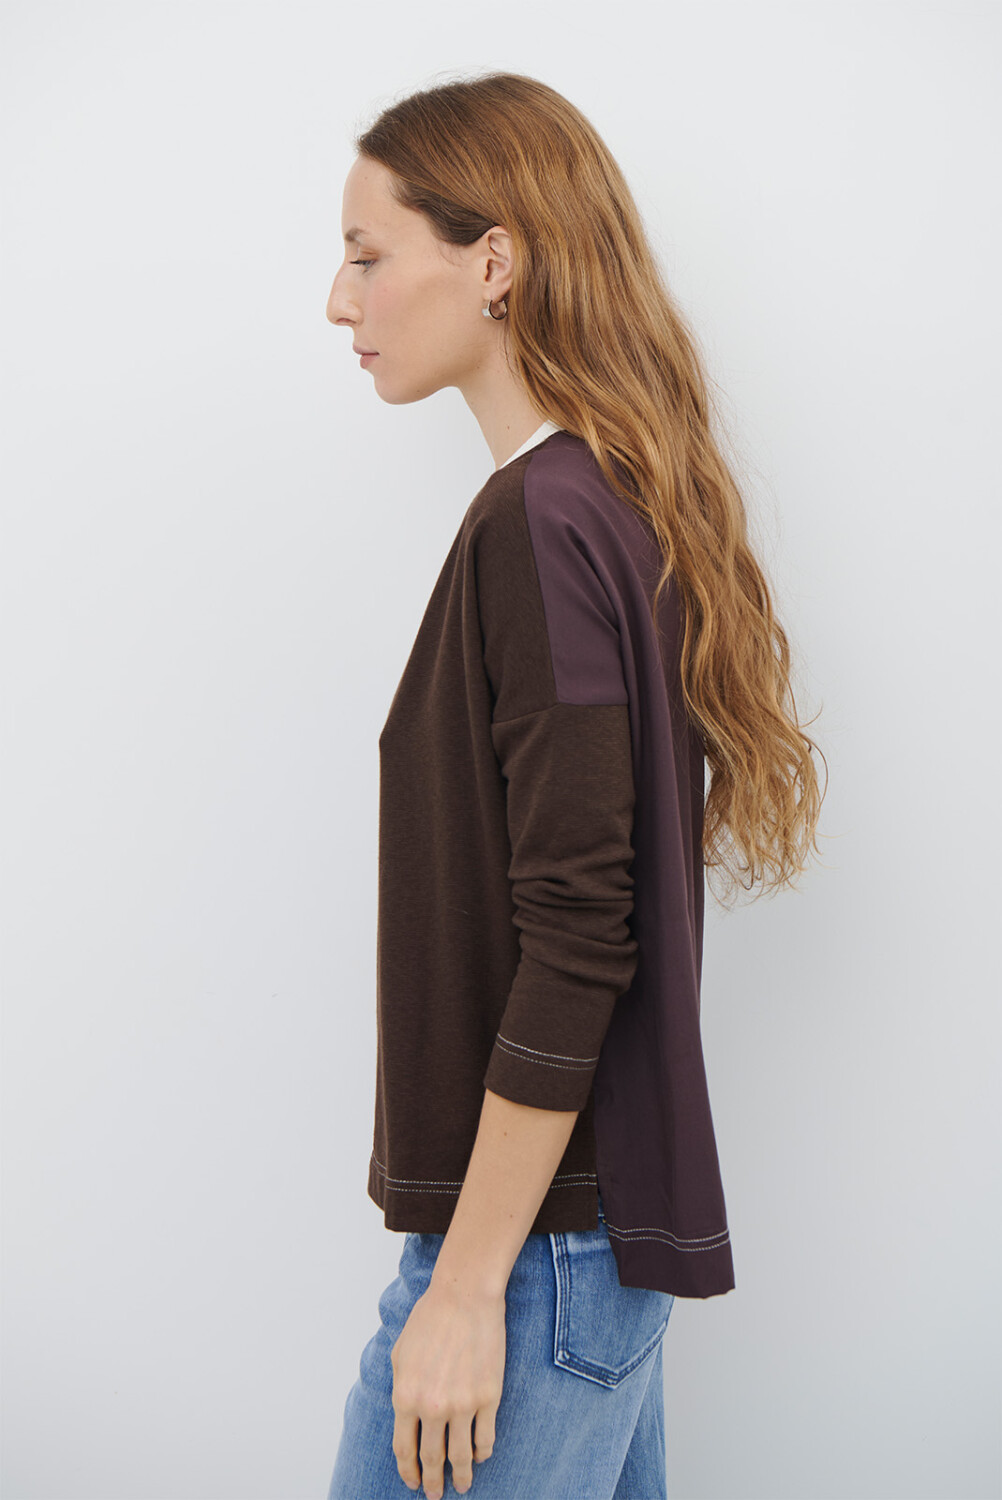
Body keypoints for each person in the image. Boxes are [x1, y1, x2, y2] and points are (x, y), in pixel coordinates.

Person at [323, 71, 825, 1500]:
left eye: (367, 254)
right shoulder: (600, 503)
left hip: (534, 1261)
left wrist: (466, 1287)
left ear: (493, 260)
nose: (339, 301)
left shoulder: (543, 521)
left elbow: (578, 936)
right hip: (578, 1256)